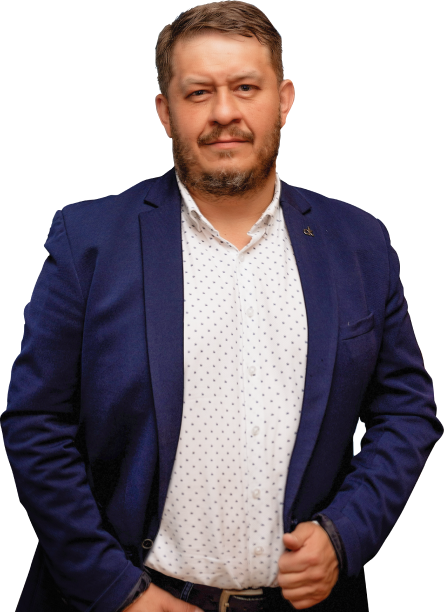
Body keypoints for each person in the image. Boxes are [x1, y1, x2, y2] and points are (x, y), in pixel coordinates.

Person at [2, 2, 441, 611]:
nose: (225, 112)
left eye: (245, 88)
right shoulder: (88, 241)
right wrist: (116, 592)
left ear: (284, 100)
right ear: (165, 112)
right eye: (199, 92)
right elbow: (36, 423)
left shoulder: (360, 242)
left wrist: (346, 534)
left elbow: (406, 409)